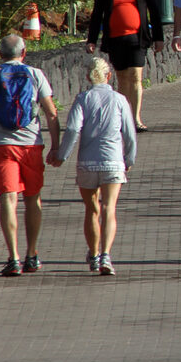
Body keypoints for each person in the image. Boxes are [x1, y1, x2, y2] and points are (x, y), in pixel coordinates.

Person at [0, 33, 61, 277]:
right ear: (24, 52)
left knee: (8, 199)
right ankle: (32, 254)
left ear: (0, 55)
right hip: (32, 146)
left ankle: (14, 258)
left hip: (2, 145)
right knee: (33, 198)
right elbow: (51, 114)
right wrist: (56, 146)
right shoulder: (36, 74)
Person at [53, 56, 137, 276]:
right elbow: (129, 134)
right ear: (108, 76)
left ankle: (94, 253)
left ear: (89, 77)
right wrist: (129, 159)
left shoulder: (82, 99)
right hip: (112, 161)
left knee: (91, 209)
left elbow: (72, 130)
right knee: (109, 208)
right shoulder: (119, 100)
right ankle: (106, 255)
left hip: (87, 163)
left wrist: (62, 155)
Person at [86, 0, 164, 131]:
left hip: (137, 38)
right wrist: (91, 39)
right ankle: (123, 117)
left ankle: (136, 119)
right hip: (115, 40)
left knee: (136, 77)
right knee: (122, 79)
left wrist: (158, 38)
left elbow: (154, 11)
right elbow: (97, 15)